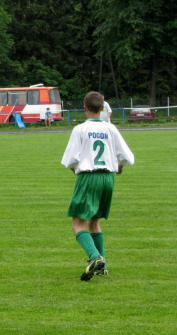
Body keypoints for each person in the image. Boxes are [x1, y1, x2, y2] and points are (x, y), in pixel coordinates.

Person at [61, 91, 134, 281]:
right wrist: (119, 166)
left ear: (84, 108)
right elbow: (127, 157)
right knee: (95, 221)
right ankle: (103, 266)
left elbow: (70, 160)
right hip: (108, 178)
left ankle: (95, 258)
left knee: (78, 223)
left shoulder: (80, 129)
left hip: (89, 177)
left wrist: (78, 171)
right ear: (103, 108)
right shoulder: (111, 128)